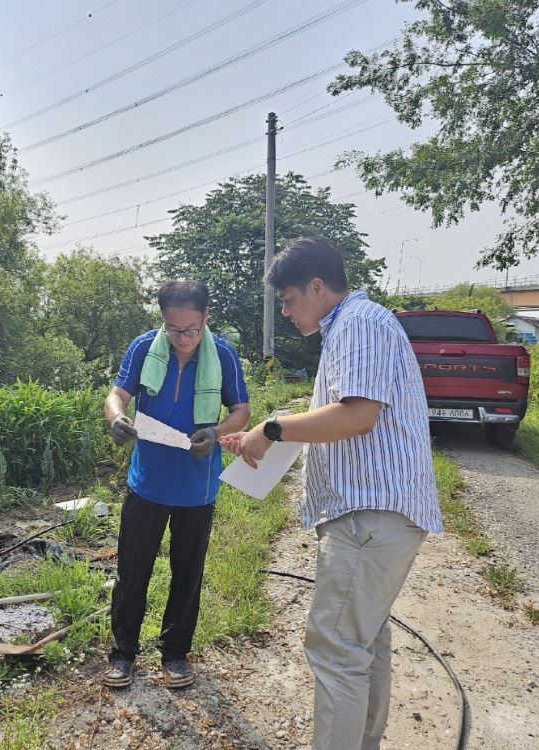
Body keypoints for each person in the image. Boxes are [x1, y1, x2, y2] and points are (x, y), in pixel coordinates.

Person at [221, 237, 442, 750]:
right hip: (377, 516)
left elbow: (358, 415)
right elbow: (341, 417)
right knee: (363, 642)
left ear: (317, 287)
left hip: (369, 517)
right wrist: (268, 436)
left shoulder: (359, 323)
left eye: (288, 299)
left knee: (337, 647)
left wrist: (272, 427)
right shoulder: (358, 325)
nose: (286, 310)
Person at [103, 280, 250, 689]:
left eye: (190, 329)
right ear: (163, 321)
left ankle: (175, 654)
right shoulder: (144, 347)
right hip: (146, 482)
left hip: (196, 487)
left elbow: (241, 410)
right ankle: (123, 654)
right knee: (132, 571)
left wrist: (217, 432)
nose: (181, 339)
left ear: (205, 318)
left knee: (188, 573)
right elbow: (118, 394)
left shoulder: (223, 354)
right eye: (172, 329)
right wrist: (116, 418)